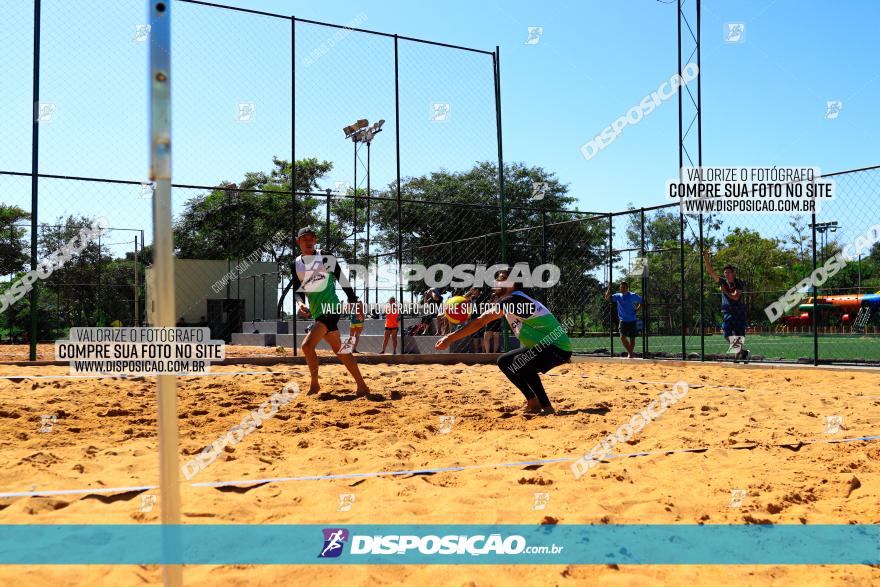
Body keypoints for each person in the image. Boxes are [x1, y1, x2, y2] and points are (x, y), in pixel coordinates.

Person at [435, 267, 571, 415]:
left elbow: (480, 322)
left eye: (500, 279)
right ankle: (533, 401)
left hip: (557, 348)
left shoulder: (514, 300)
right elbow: (481, 319)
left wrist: (450, 338)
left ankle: (547, 407)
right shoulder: (513, 300)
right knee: (504, 361)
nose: (495, 282)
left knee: (521, 362)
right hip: (545, 346)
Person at [290, 227, 370, 395]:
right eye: (305, 239)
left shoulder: (325, 256)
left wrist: (355, 302)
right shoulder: (296, 264)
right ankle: (362, 386)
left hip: (331, 309)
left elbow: (342, 280)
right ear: (299, 242)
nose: (309, 242)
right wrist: (300, 304)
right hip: (317, 311)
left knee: (306, 346)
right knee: (341, 351)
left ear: (315, 241)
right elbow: (298, 290)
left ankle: (314, 384)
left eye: (311, 238)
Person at [703, 252, 751, 363]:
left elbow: (735, 297)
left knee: (739, 336)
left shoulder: (738, 283)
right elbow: (710, 272)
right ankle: (743, 353)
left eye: (729, 272)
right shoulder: (723, 282)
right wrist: (706, 259)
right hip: (727, 312)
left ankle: (737, 358)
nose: (727, 274)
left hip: (738, 312)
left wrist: (724, 291)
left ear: (733, 273)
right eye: (725, 273)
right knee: (726, 334)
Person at [605, 281, 642, 358]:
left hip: (632, 320)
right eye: (621, 287)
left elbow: (642, 301)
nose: (622, 288)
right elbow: (607, 298)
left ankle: (630, 354)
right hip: (623, 320)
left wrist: (637, 309)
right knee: (622, 337)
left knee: (632, 338)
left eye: (623, 287)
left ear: (627, 288)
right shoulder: (618, 296)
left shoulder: (632, 295)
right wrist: (609, 288)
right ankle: (631, 353)